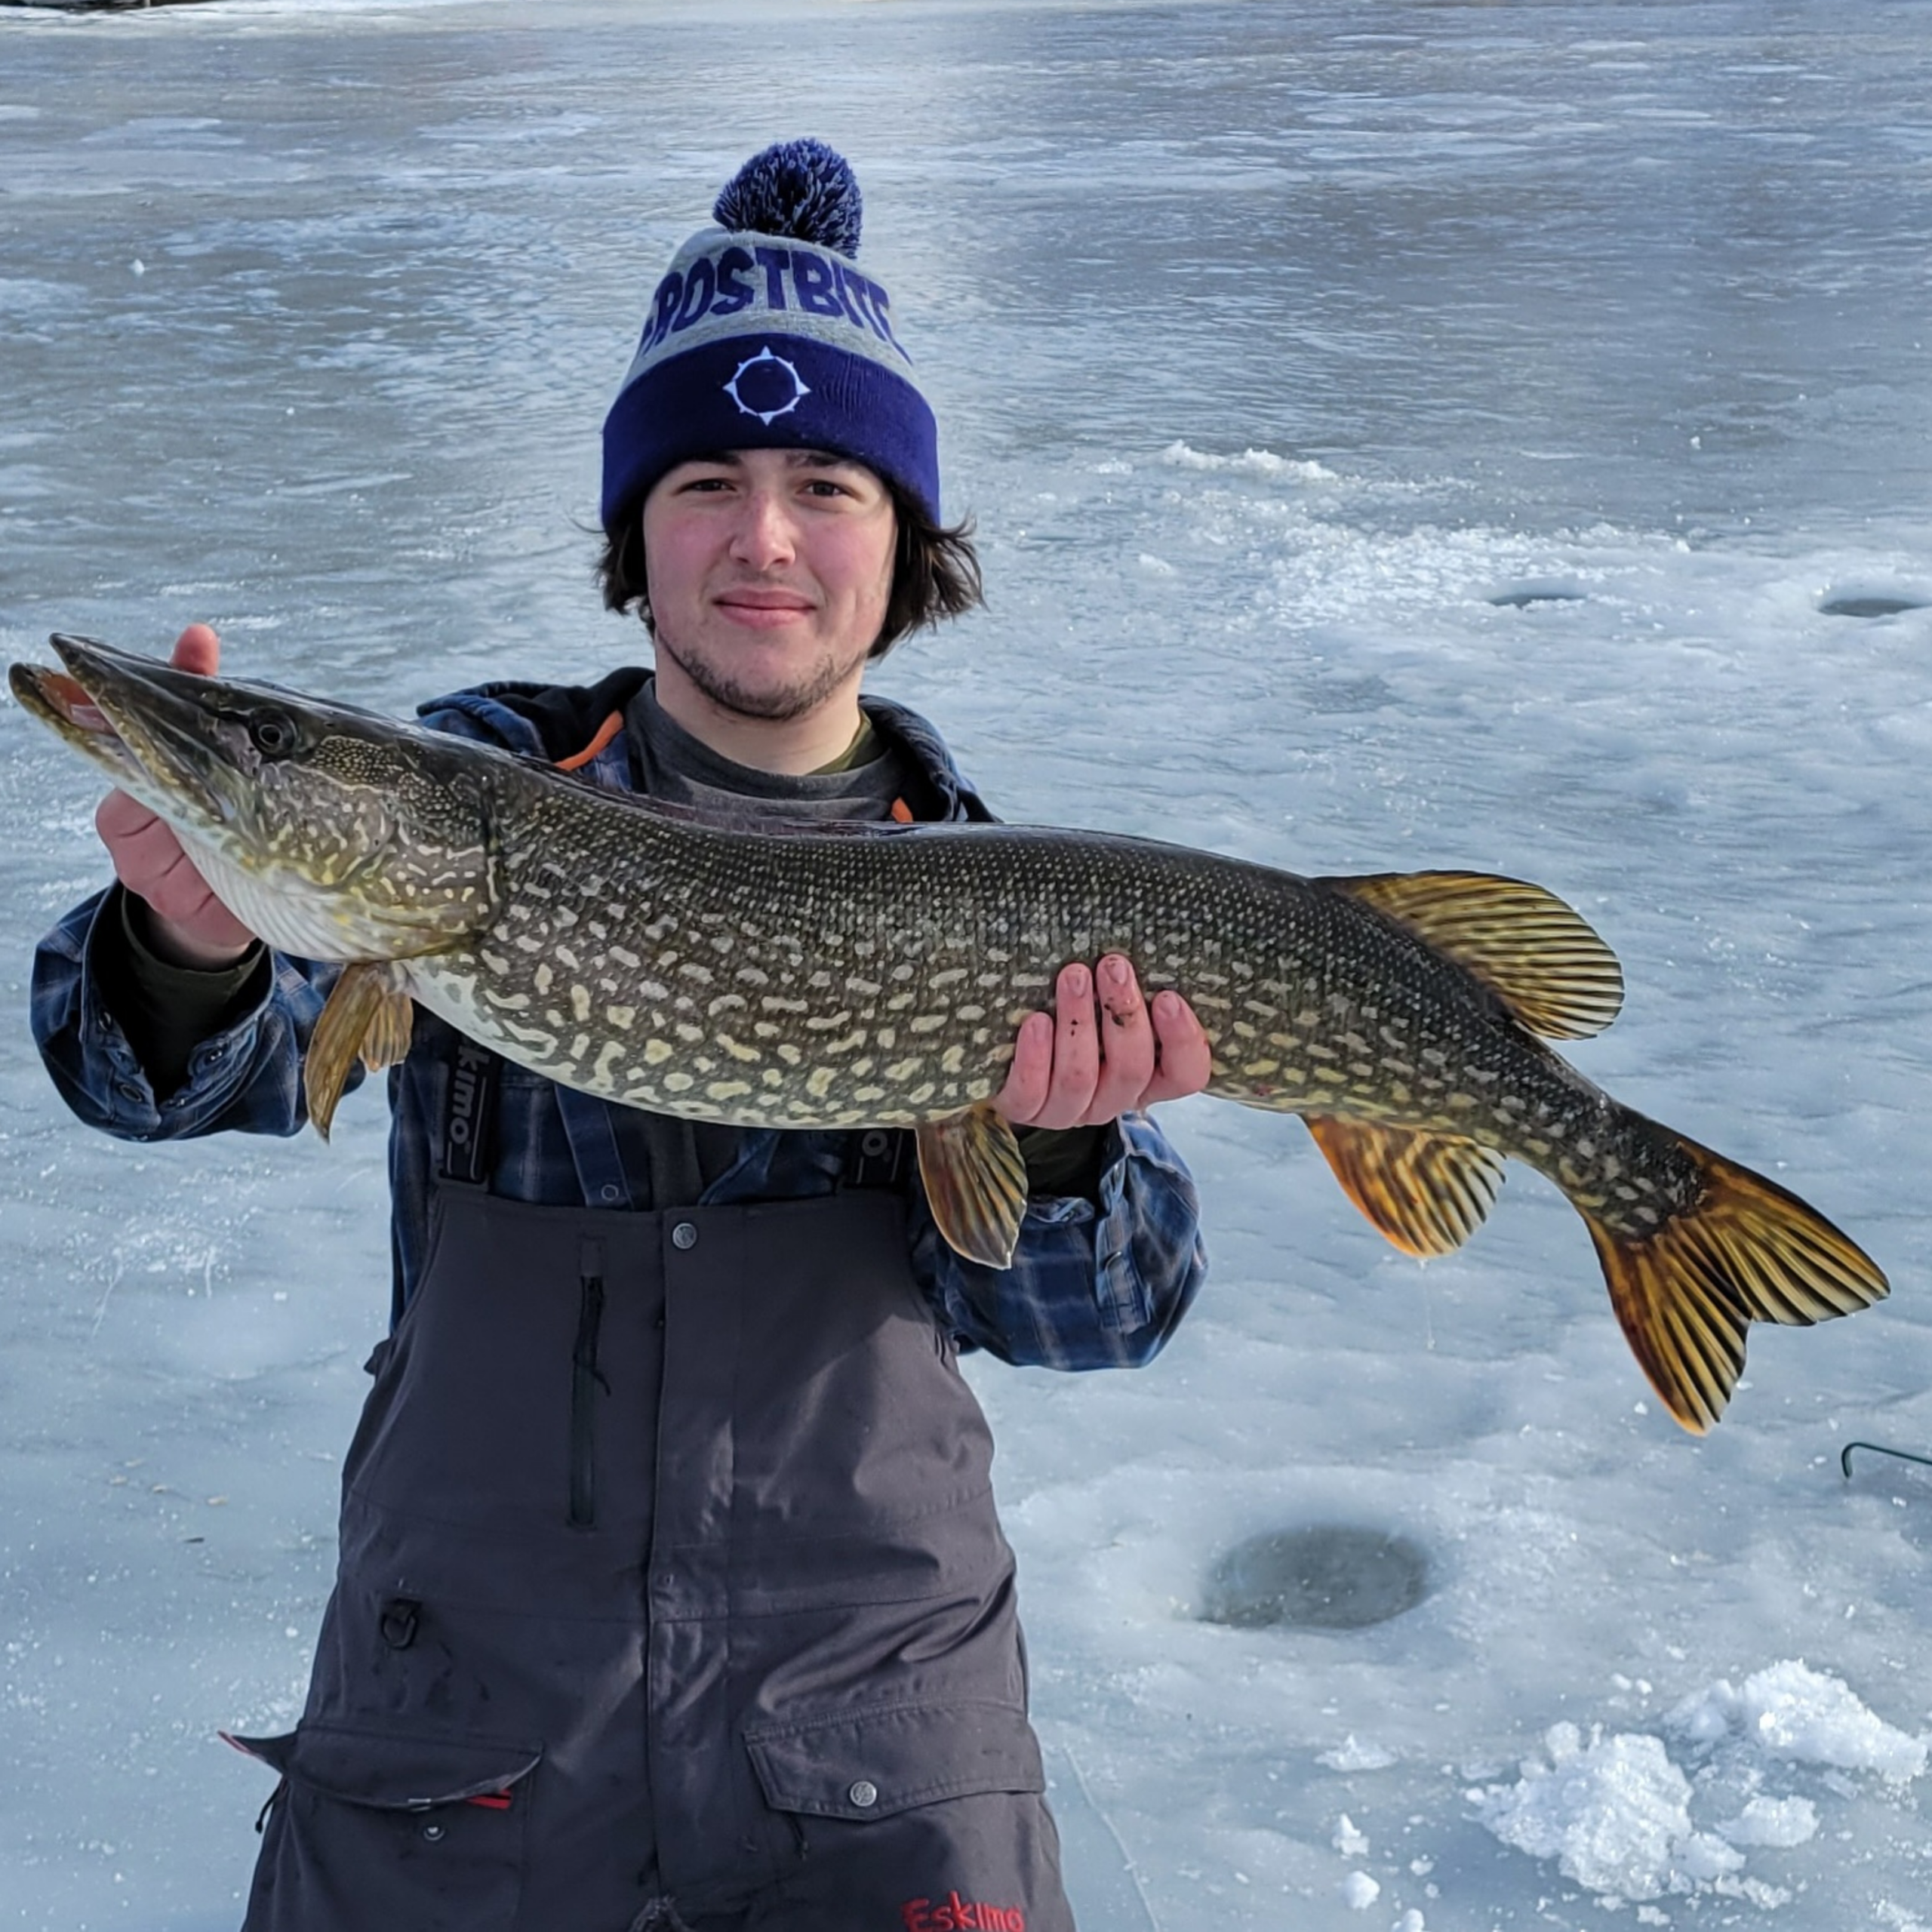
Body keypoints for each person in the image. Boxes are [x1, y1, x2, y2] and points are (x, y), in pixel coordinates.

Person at [32, 140, 1210, 1932]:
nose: (762, 534)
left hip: (879, 1764)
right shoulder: (478, 807)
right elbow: (163, 1069)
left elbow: (1110, 1312)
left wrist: (1051, 1146)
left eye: (828, 481)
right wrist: (186, 943)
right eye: (703, 482)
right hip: (466, 1745)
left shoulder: (991, 888)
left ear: (904, 543)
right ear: (627, 535)